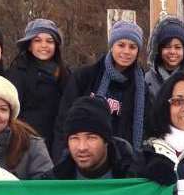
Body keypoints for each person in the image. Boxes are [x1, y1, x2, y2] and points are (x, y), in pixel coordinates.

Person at [63, 20, 149, 155]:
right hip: (86, 155)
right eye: (121, 45)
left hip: (124, 160)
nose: (126, 51)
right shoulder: (85, 77)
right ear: (111, 46)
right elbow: (64, 119)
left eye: (132, 47)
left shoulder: (141, 86)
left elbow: (146, 127)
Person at [7, 18, 67, 157]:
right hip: (26, 142)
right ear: (29, 45)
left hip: (57, 141)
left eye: (49, 41)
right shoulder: (18, 72)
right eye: (38, 40)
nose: (44, 45)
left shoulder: (65, 73)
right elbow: (13, 112)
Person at [145, 16, 184, 101]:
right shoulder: (147, 80)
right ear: (159, 50)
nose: (172, 52)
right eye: (167, 47)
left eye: (177, 47)